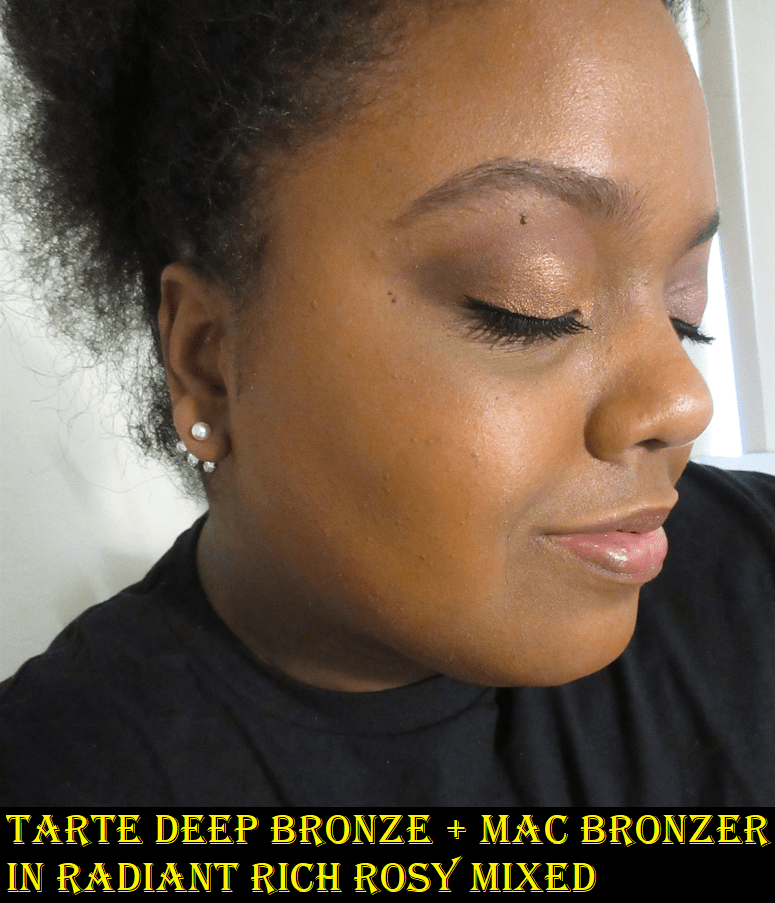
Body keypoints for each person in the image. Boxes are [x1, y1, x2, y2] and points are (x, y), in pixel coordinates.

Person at [0, 0, 773, 805]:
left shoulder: (753, 563)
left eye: (682, 308)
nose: (683, 401)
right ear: (209, 364)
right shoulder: (62, 775)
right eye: (530, 305)